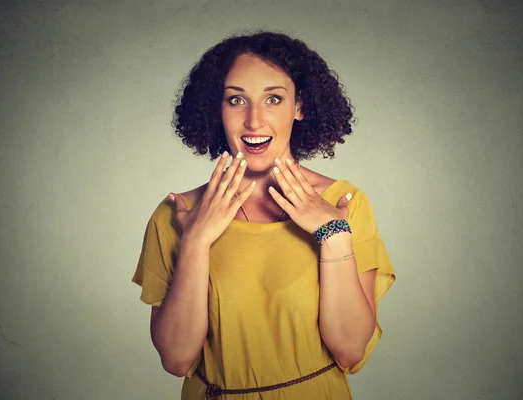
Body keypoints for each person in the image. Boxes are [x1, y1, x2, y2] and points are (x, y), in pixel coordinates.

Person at [132, 31, 396, 399]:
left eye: (273, 99)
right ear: (217, 108)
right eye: (236, 100)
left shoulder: (345, 205)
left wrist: (333, 235)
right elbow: (176, 360)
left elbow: (350, 349)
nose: (254, 120)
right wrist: (196, 241)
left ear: (299, 106)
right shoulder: (177, 214)